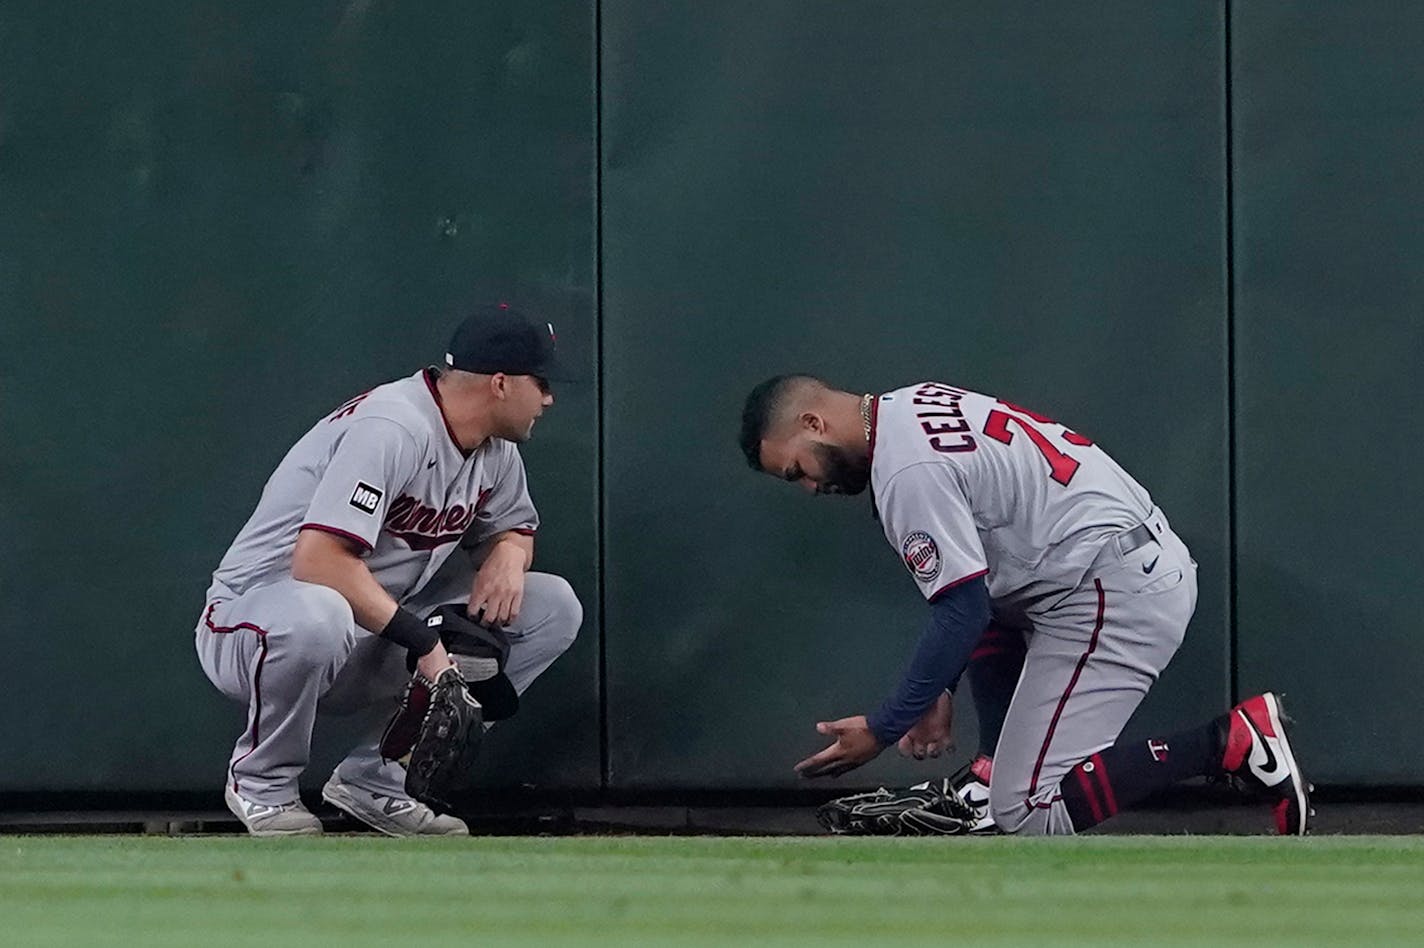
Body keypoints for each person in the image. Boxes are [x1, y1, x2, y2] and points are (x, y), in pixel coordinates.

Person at [739, 375, 1311, 836]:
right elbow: (979, 588)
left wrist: (884, 728)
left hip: (1111, 587)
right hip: (1099, 567)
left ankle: (1232, 743)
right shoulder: (909, 405)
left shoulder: (907, 470)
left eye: (797, 470)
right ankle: (991, 773)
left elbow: (962, 609)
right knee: (992, 597)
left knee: (1032, 813)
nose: (809, 487)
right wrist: (939, 686)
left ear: (813, 422)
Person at [196, 303, 583, 837]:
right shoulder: (393, 425)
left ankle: (378, 779)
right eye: (540, 382)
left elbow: (514, 528)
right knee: (319, 611)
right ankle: (261, 784)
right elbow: (320, 562)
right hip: (255, 623)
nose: (549, 397)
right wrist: (424, 644)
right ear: (500, 383)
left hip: (370, 633)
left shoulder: (496, 451)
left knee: (553, 608)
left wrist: (510, 555)